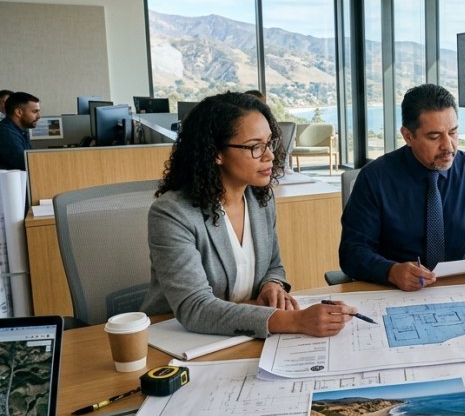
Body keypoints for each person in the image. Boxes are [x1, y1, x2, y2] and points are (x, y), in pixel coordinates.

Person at [140, 92, 358, 338]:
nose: (270, 156)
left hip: (243, 334)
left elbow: (273, 265)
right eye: (255, 147)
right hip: (180, 337)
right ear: (216, 153)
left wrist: (271, 284)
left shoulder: (259, 198)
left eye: (270, 143)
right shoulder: (172, 214)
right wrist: (294, 320)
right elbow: (195, 308)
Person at [339, 83, 465, 290]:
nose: (448, 145)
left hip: (458, 286)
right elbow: (352, 252)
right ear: (408, 136)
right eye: (434, 137)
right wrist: (391, 271)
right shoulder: (375, 177)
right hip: (393, 290)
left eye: (453, 133)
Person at [0, 91, 41, 171]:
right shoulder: (5, 132)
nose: (39, 116)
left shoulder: (20, 131)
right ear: (19, 112)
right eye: (35, 112)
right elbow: (25, 162)